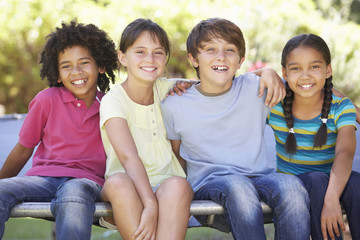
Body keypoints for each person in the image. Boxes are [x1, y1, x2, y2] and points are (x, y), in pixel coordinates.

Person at [161, 17, 310, 240]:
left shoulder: (256, 88)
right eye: (210, 49)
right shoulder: (174, 105)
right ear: (193, 58)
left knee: (291, 185)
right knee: (237, 186)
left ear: (240, 60)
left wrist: (354, 111)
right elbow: (177, 155)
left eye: (229, 50)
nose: (221, 56)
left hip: (259, 179)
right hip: (210, 185)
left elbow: (312, 92)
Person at [0, 20, 118, 240]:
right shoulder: (46, 100)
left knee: (73, 192)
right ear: (56, 73)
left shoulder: (112, 105)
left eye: (84, 62)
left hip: (87, 182)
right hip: (43, 179)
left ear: (100, 65)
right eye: (66, 66)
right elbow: (23, 150)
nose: (76, 72)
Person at [99, 18, 193, 240]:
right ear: (123, 57)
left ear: (165, 59)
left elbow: (217, 81)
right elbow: (128, 156)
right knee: (119, 183)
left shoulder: (170, 89)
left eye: (158, 52)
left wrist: (263, 73)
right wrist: (150, 203)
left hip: (168, 184)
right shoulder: (114, 100)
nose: (150, 59)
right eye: (140, 52)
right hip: (127, 185)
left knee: (179, 185)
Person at [267, 33, 360, 240]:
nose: (305, 75)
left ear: (328, 70)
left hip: (334, 181)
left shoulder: (341, 107)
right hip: (293, 186)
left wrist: (332, 197)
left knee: (356, 183)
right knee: (317, 181)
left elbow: (345, 153)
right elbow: (234, 82)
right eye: (296, 68)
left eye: (314, 67)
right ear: (284, 73)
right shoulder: (275, 104)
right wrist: (265, 72)